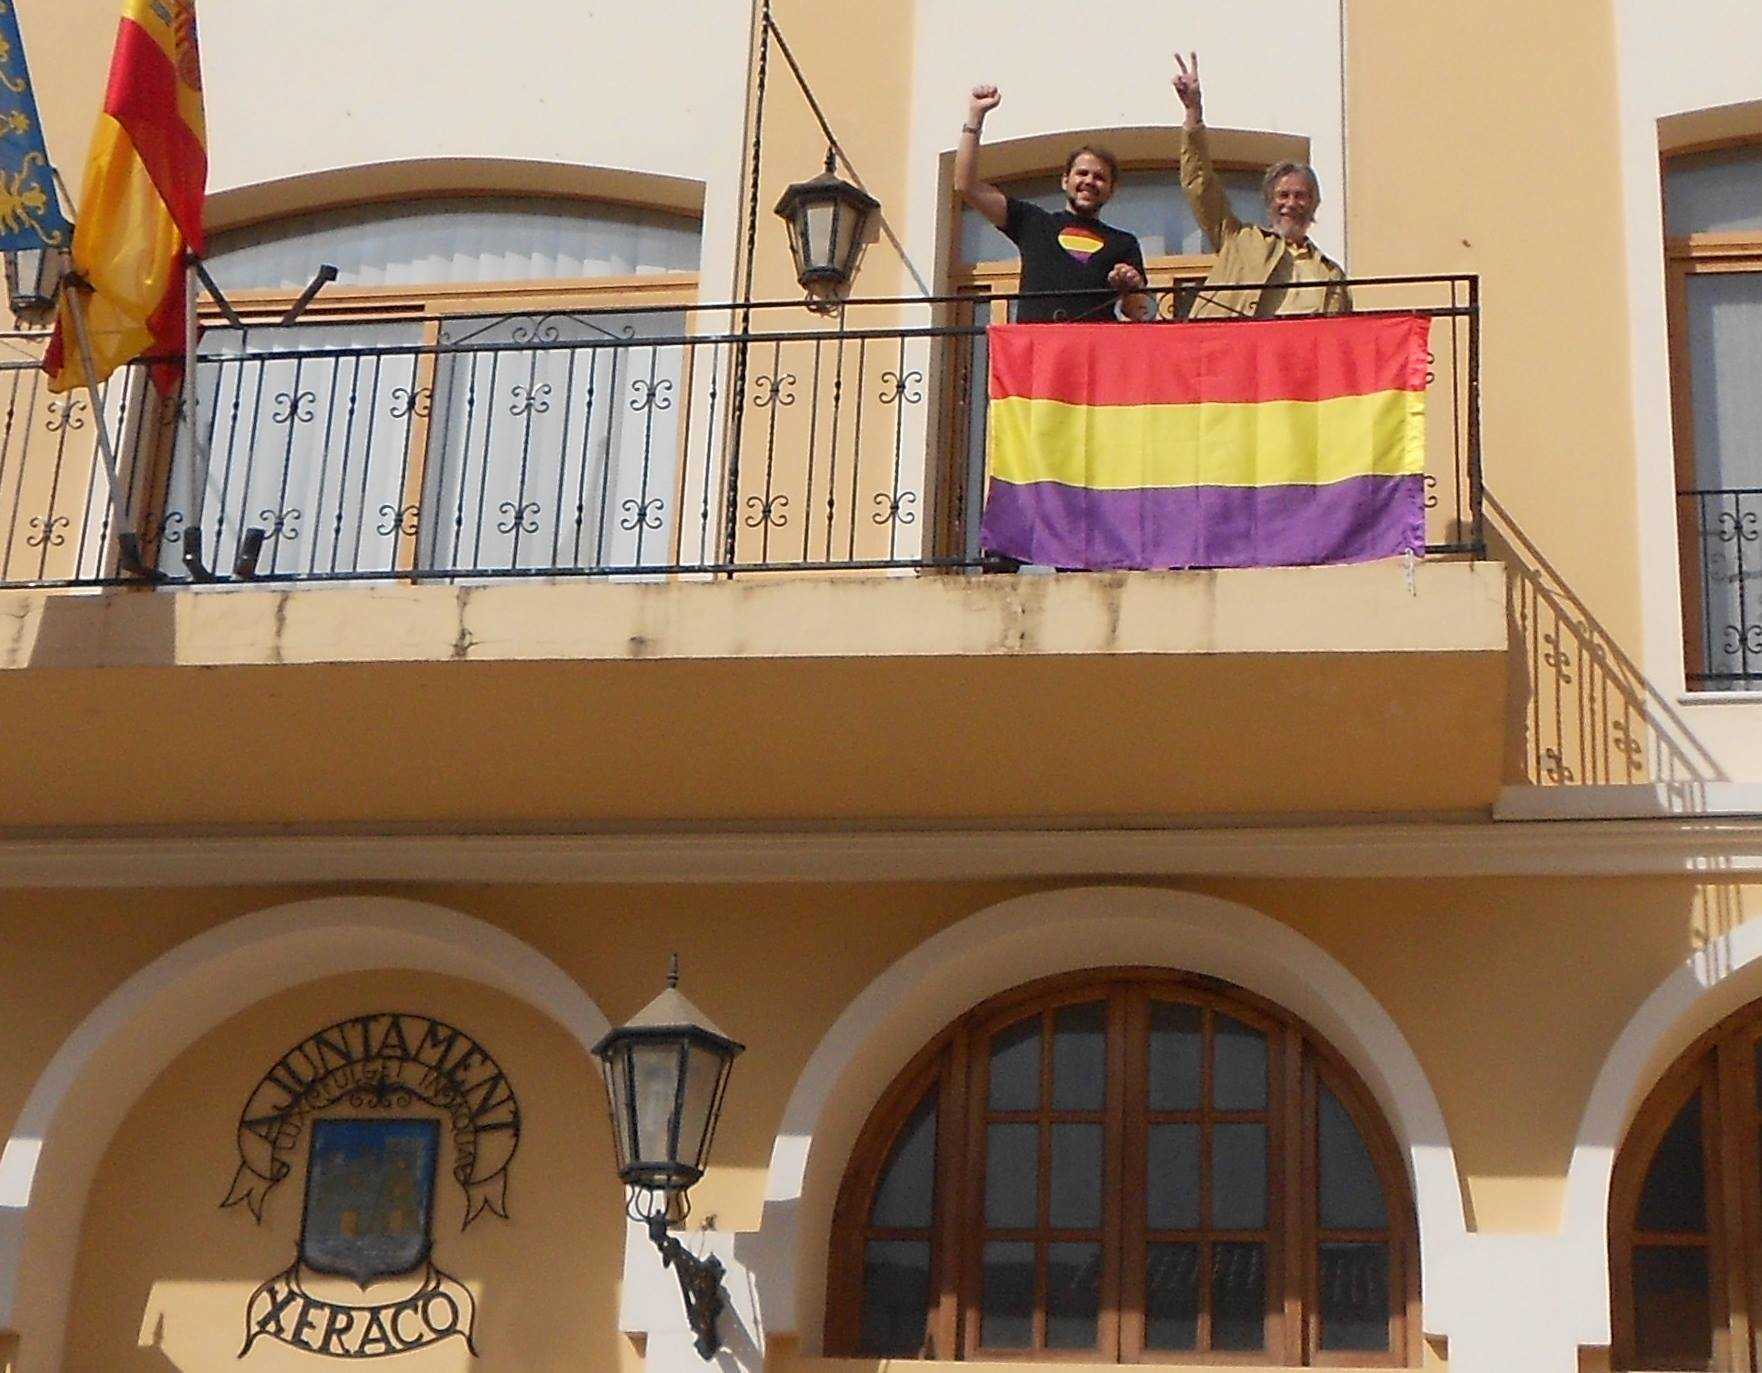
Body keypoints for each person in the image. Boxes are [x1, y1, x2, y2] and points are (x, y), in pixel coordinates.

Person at [1171, 52, 1352, 320]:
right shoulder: (1240, 240)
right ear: (1269, 201)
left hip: (1301, 348)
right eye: (1283, 195)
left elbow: (1341, 336)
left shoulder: (1331, 274)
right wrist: (1193, 114)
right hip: (1242, 344)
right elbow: (1199, 185)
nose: (1291, 203)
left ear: (1314, 204)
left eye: (1300, 196)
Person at [956, 84, 1151, 323]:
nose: (1089, 181)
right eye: (1082, 173)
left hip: (1093, 346)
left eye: (1100, 177)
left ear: (1111, 190)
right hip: (1038, 344)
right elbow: (967, 186)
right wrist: (975, 117)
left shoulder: (1123, 243)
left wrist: (1130, 288)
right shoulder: (1033, 223)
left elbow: (1139, 313)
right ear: (1065, 181)